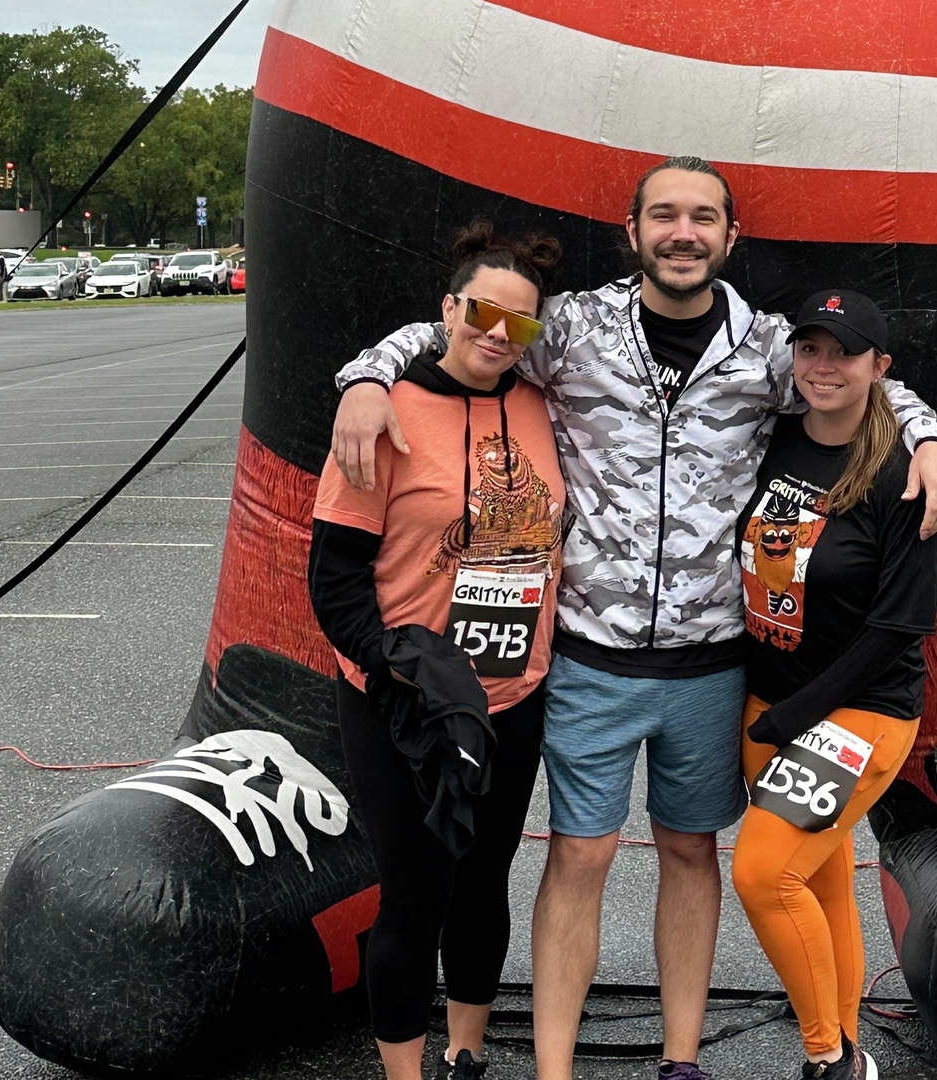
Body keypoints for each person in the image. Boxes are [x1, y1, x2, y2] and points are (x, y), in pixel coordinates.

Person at [328, 157, 937, 1080]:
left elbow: (857, 381)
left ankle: (680, 1062)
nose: (683, 232)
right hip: (589, 652)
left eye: (703, 217)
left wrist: (932, 436)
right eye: (663, 214)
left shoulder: (769, 349)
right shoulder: (574, 329)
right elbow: (456, 332)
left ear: (730, 238)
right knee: (578, 857)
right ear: (632, 232)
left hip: (711, 665)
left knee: (689, 853)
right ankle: (552, 1071)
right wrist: (365, 380)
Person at [310, 222, 568, 1080]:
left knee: (483, 879)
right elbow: (335, 578)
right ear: (448, 309)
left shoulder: (541, 406)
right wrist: (394, 667)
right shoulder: (383, 412)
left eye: (520, 324)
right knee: (415, 892)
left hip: (509, 693)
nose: (499, 334)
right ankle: (403, 1072)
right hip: (404, 698)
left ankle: (464, 1054)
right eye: (484, 312)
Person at [730, 289, 937, 1080]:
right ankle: (847, 1044)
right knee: (819, 883)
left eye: (844, 353)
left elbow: (900, 628)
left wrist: (794, 715)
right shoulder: (776, 439)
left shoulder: (906, 473)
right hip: (772, 704)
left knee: (761, 872)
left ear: (879, 368)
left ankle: (830, 1058)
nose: (823, 367)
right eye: (811, 349)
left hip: (858, 711)